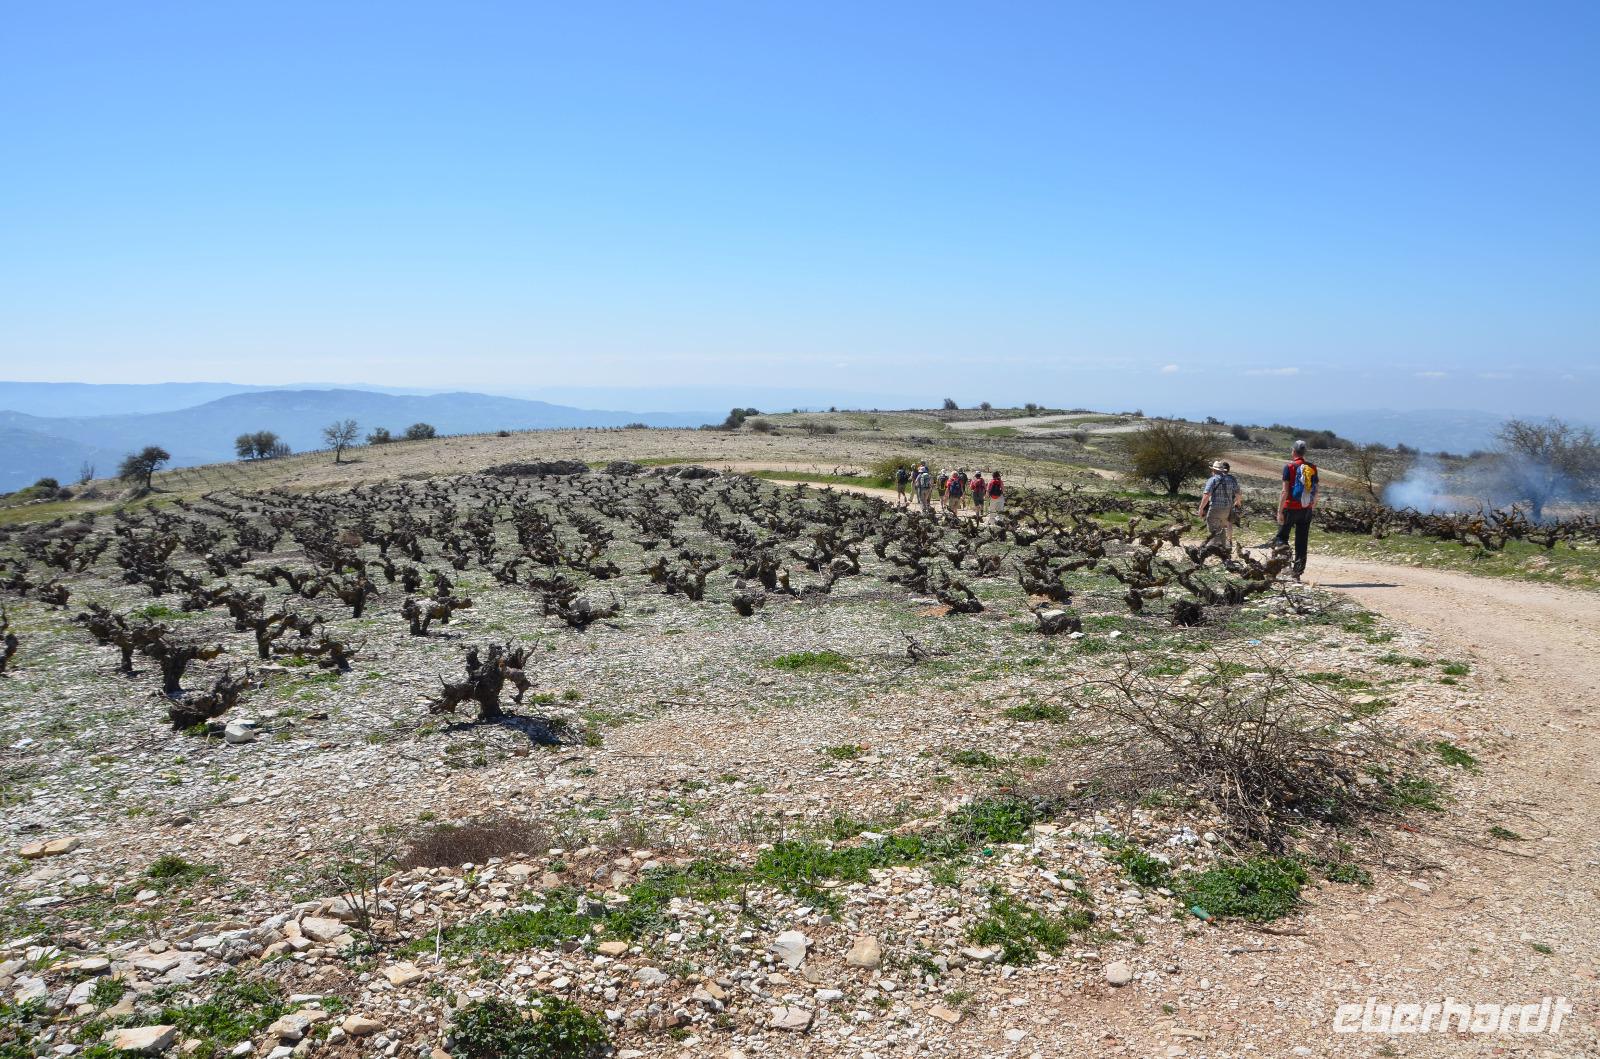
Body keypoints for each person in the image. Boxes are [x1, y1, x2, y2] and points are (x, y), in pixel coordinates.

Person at [1274, 440, 1319, 579]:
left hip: (1290, 507)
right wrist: (1311, 507)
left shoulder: (1289, 467)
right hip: (1306, 508)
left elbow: (1284, 491)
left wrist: (1279, 511)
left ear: (1293, 451)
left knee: (1281, 538)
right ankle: (1297, 573)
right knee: (1302, 541)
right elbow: (1316, 491)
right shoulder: (1312, 467)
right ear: (1304, 452)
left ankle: (1285, 566)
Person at [1198, 459, 1240, 553]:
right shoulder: (1230, 480)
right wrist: (1238, 502)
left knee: (1212, 527)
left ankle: (1215, 547)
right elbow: (1238, 492)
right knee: (1221, 527)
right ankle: (1224, 547)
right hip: (1227, 509)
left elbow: (1206, 495)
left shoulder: (1212, 480)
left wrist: (1201, 508)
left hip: (1215, 507)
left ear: (1213, 470)